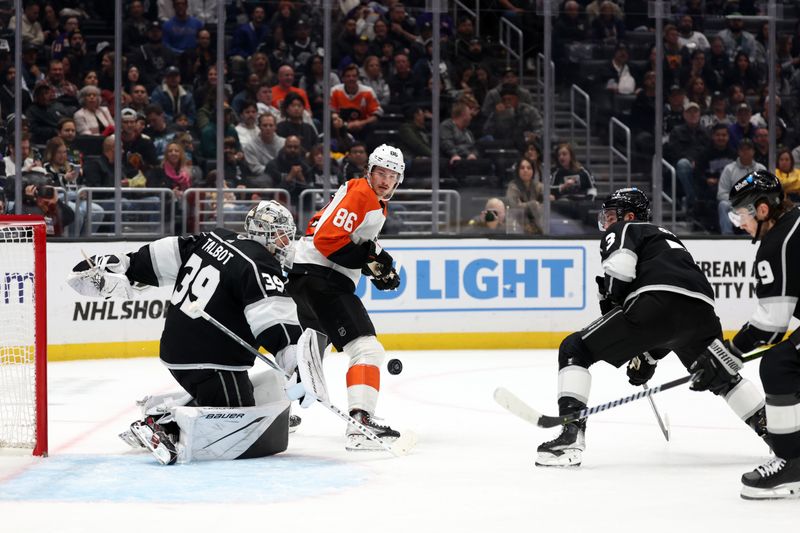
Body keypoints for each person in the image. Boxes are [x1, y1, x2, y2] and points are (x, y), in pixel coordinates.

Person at [536, 188, 768, 467]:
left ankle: (570, 437)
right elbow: (670, 326)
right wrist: (646, 358)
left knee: (574, 348)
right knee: (723, 377)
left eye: (611, 216)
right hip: (702, 312)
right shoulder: (668, 237)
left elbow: (622, 276)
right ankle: (779, 435)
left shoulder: (625, 229)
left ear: (629, 216)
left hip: (655, 304)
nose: (607, 222)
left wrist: (609, 297)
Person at [66, 200, 302, 465]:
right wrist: (296, 361)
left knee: (242, 399)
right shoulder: (259, 263)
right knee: (239, 426)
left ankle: (176, 409)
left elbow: (163, 255)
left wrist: (125, 264)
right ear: (264, 232)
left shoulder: (216, 237)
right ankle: (164, 422)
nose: (285, 242)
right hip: (211, 359)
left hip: (178, 347)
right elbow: (275, 321)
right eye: (281, 234)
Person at [287, 144, 406, 451]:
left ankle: (273, 412)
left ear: (398, 179)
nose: (385, 180)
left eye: (391, 175)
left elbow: (347, 242)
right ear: (370, 171)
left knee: (308, 355)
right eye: (380, 172)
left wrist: (376, 266)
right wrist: (371, 261)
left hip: (304, 278)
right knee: (367, 350)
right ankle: (361, 424)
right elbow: (329, 241)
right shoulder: (362, 194)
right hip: (321, 279)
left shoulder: (368, 198)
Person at [725, 171, 800, 499]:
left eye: (741, 214)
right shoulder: (793, 223)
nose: (739, 223)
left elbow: (772, 326)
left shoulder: (778, 243)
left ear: (763, 209)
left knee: (779, 365)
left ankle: (792, 464)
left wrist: (729, 351)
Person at [505, 157, 543, 234]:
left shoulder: (539, 186)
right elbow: (515, 208)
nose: (525, 170)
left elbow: (547, 206)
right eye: (522, 168)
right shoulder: (513, 187)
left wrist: (523, 205)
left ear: (533, 171)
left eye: (529, 168)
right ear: (518, 171)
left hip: (539, 227)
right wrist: (533, 204)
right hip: (519, 225)